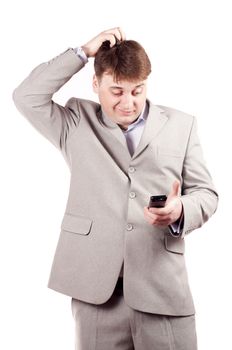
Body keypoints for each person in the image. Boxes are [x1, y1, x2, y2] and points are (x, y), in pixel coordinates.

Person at [13, 27, 218, 350]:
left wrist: (180, 211)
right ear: (96, 85)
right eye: (117, 91)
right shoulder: (76, 122)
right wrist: (83, 52)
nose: (129, 103)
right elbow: (26, 96)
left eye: (137, 91)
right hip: (97, 293)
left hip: (162, 288)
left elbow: (207, 194)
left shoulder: (182, 125)